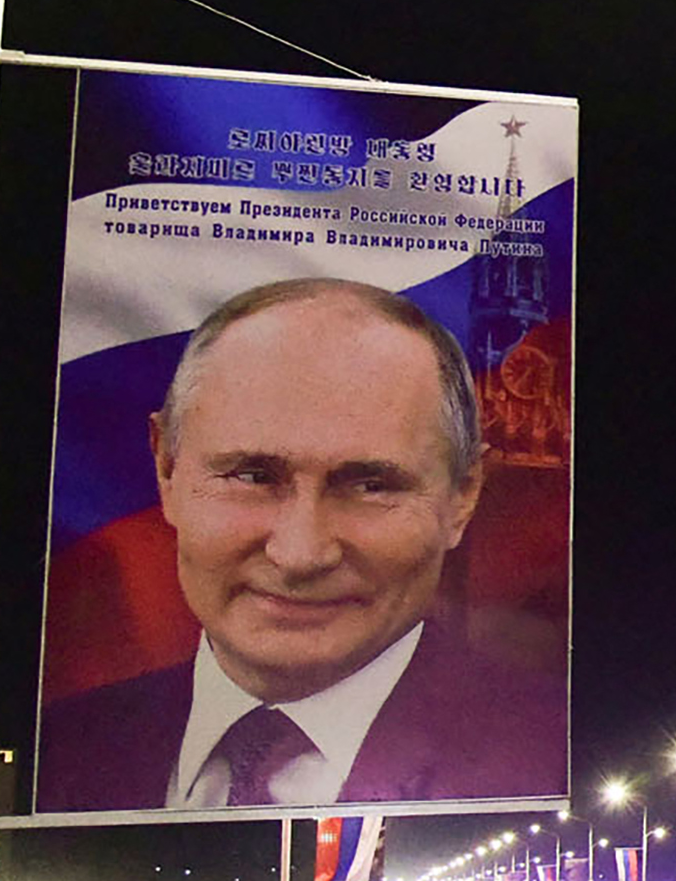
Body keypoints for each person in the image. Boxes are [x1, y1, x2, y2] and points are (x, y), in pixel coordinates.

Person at [37, 280, 562, 811]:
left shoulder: (557, 759)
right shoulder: (54, 754)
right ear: (166, 470)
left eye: (370, 486)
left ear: (464, 497)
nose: (300, 554)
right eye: (251, 476)